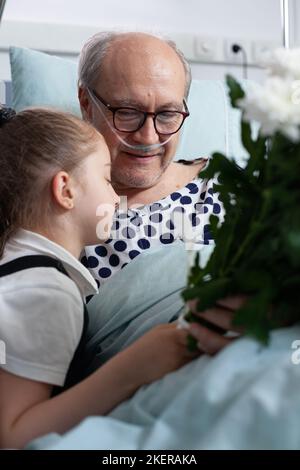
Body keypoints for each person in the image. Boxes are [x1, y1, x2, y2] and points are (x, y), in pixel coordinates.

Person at [0, 107, 200, 449]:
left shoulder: (18, 265)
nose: (116, 199)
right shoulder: (47, 291)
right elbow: (13, 437)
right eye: (107, 179)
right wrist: (133, 368)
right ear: (65, 190)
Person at [78, 31, 240, 355]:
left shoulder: (232, 186)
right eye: (127, 111)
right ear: (86, 103)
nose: (148, 136)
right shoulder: (56, 208)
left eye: (167, 115)